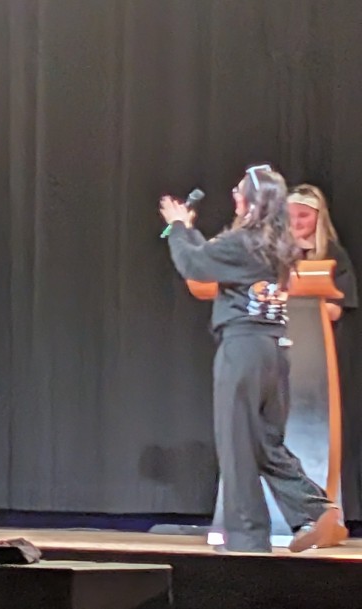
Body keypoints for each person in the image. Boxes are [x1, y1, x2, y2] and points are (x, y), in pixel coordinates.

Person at [160, 164, 347, 553]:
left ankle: (246, 538)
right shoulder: (277, 245)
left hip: (242, 349)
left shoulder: (242, 241)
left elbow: (195, 265)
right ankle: (315, 511)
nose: (234, 195)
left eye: (238, 190)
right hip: (275, 350)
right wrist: (189, 232)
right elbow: (212, 258)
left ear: (251, 200)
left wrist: (177, 227)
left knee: (236, 445)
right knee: (264, 443)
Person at [287, 184, 358, 322]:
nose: (295, 222)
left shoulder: (333, 254)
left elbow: (336, 310)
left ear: (319, 217)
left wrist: (295, 307)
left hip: (318, 330)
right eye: (290, 216)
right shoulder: (275, 252)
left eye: (303, 215)